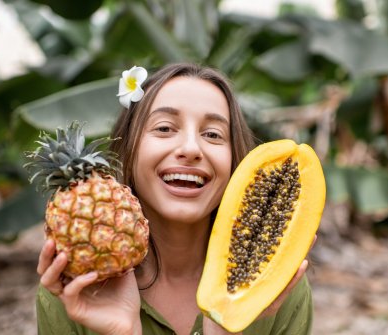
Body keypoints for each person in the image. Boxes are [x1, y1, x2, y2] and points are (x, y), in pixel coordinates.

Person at [36, 63, 314, 335]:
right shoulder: (72, 291)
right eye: (165, 128)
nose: (191, 148)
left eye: (212, 134)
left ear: (235, 160)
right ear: (128, 148)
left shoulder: (277, 286)